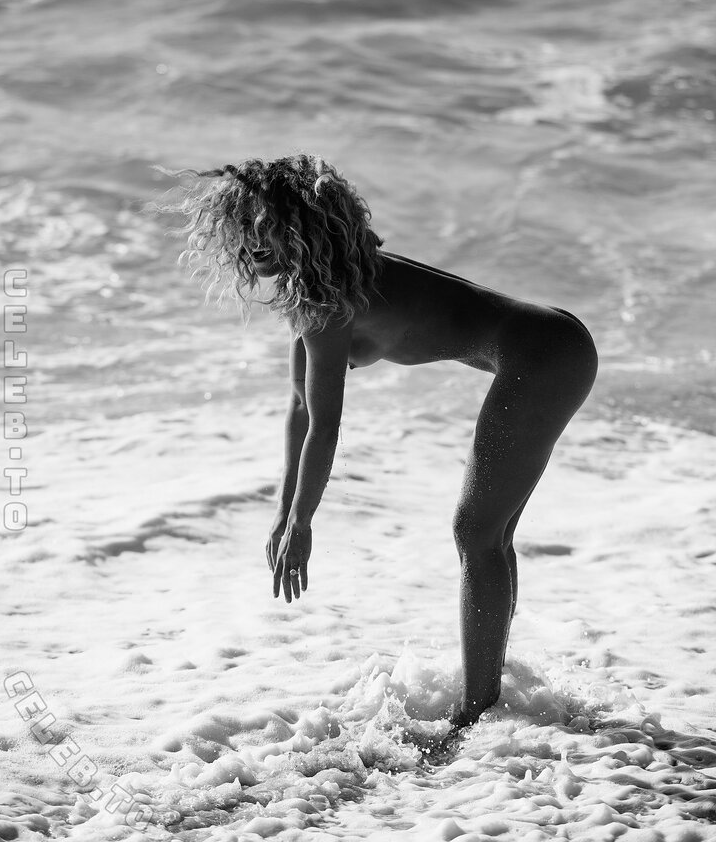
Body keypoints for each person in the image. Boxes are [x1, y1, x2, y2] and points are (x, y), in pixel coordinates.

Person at [169, 153, 598, 728]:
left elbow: (326, 426)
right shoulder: (320, 289)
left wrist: (304, 523)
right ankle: (490, 695)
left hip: (545, 355)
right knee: (488, 535)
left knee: (476, 533)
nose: (249, 243)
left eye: (263, 228)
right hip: (550, 342)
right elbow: (301, 406)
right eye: (242, 229)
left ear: (301, 228)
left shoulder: (327, 301)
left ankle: (475, 715)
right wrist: (284, 512)